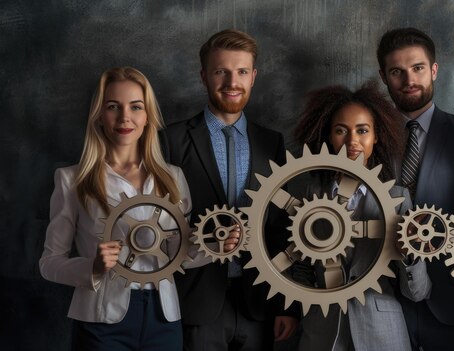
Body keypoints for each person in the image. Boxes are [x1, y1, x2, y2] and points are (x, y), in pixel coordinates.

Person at [160, 29, 299, 350]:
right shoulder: (170, 140)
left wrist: (285, 304)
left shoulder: (272, 142)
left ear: (253, 77)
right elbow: (161, 226)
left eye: (241, 72)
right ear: (204, 76)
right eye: (221, 71)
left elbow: (282, 227)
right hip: (194, 301)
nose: (231, 82)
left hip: (259, 301)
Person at [39, 67, 192, 350]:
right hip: (101, 321)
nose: (124, 117)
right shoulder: (71, 180)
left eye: (135, 107)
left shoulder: (173, 178)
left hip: (164, 317)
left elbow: (180, 255)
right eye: (113, 107)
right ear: (99, 115)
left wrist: (217, 244)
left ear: (148, 116)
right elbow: (49, 264)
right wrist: (93, 267)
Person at [294, 81, 431, 351]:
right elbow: (301, 268)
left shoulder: (398, 197)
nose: (352, 141)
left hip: (382, 333)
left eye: (362, 130)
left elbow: (418, 292)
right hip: (321, 333)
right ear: (329, 137)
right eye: (340, 130)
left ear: (376, 136)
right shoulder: (309, 192)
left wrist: (409, 254)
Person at [376, 27, 454, 350]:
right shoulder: (369, 137)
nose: (409, 79)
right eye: (397, 71)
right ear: (384, 76)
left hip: (451, 299)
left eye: (418, 68)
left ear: (434, 70)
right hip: (387, 297)